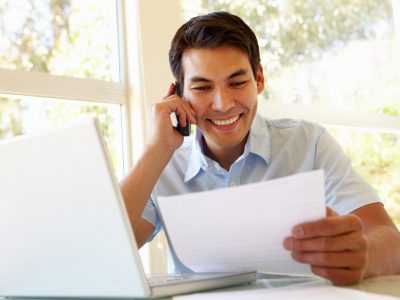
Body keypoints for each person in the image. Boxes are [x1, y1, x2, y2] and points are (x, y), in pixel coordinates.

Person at [120, 11, 400, 285]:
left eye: (237, 82)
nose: (223, 104)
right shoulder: (163, 164)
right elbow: (109, 247)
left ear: (259, 79)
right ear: (179, 95)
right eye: (203, 88)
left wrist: (365, 254)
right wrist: (156, 149)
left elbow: (389, 241)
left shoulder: (308, 143)